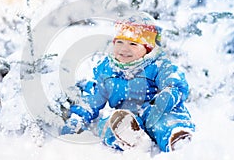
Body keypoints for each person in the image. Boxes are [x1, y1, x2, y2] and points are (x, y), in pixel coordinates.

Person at [61, 15, 195, 152]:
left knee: (166, 119)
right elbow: (93, 98)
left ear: (147, 49)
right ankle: (128, 138)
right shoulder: (106, 69)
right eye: (119, 42)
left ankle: (176, 138)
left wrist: (168, 94)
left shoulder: (158, 66)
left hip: (154, 110)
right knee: (108, 123)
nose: (124, 49)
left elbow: (174, 81)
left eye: (133, 44)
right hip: (125, 114)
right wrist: (79, 117)